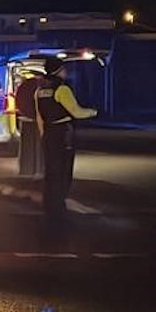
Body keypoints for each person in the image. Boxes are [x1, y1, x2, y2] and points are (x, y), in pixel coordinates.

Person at [34, 57, 96, 222]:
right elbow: (76, 112)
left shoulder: (39, 91)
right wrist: (94, 112)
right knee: (63, 170)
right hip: (63, 133)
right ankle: (59, 205)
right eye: (63, 69)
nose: (66, 71)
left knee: (50, 171)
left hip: (48, 133)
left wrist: (44, 135)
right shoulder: (62, 89)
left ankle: (49, 204)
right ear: (58, 71)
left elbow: (39, 117)